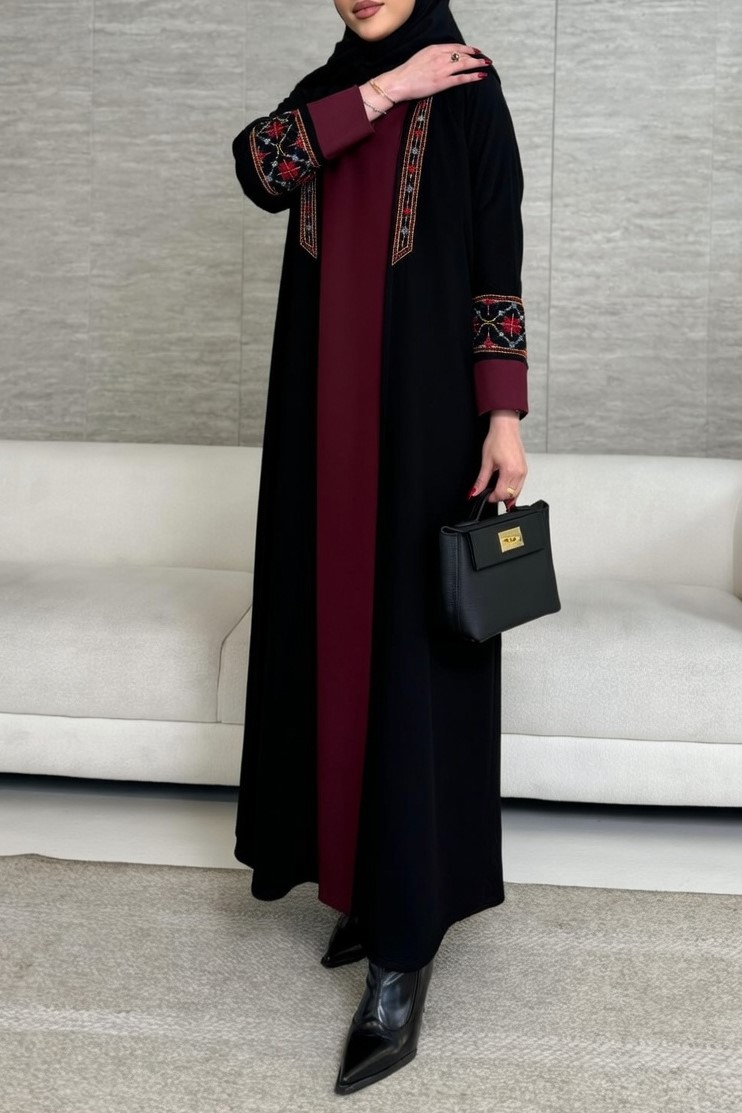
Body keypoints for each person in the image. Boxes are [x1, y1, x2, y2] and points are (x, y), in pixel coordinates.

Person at [231, 0, 529, 1095]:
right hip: (321, 436)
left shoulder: (470, 86)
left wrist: (503, 415)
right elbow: (259, 167)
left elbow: (497, 249)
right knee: (325, 645)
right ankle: (358, 881)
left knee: (411, 663)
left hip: (422, 430)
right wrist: (384, 90)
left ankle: (405, 944)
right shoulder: (329, 90)